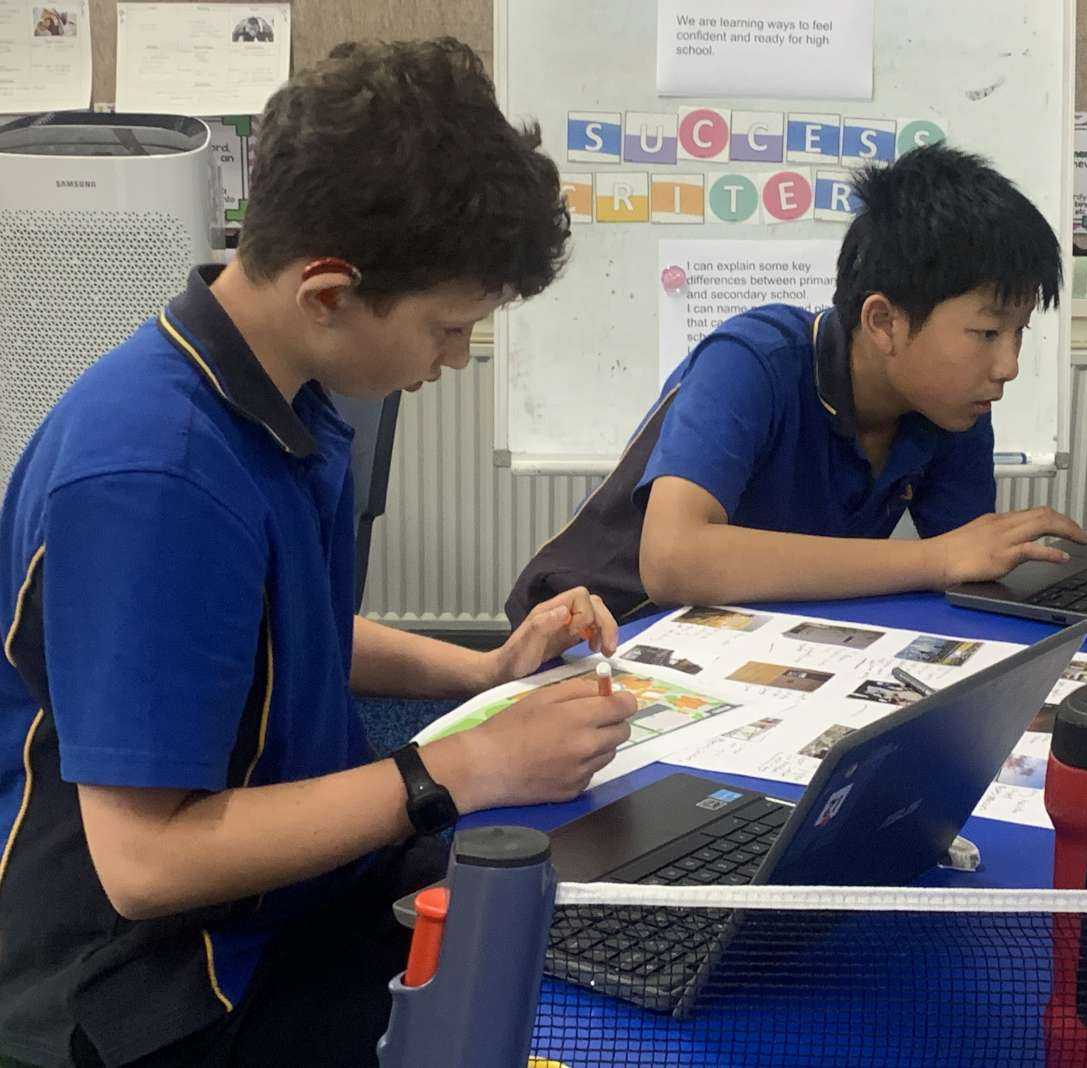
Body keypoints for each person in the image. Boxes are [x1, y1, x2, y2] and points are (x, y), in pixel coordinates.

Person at [0, 38, 635, 1067]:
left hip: (289, 890)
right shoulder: (155, 474)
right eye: (448, 327)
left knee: (578, 923)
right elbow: (145, 865)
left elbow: (278, 631)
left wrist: (482, 672)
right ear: (328, 292)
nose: (454, 358)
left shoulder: (283, 393)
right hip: (145, 981)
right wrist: (458, 767)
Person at [505, 144, 1087, 627]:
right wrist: (933, 559)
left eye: (1019, 332)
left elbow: (966, 568)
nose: (1008, 365)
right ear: (883, 322)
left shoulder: (951, 406)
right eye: (987, 333)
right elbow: (673, 561)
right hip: (600, 632)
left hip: (756, 636)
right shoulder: (753, 361)